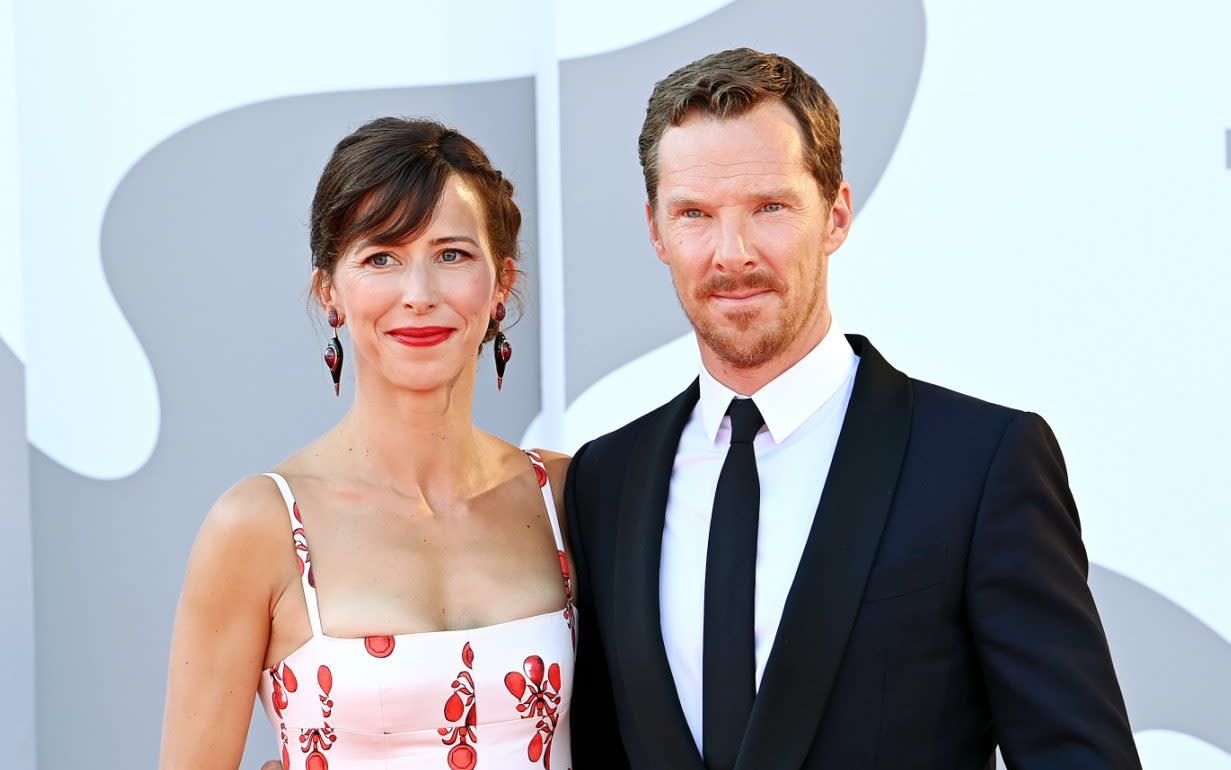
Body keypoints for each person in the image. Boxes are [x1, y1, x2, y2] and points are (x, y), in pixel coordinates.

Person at [565, 48, 1142, 770]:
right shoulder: (604, 481)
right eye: (694, 214)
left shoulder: (981, 463)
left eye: (769, 207)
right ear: (655, 232)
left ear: (835, 214)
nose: (731, 252)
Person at [159, 118, 575, 770]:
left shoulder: (567, 497)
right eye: (381, 257)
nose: (419, 295)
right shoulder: (260, 526)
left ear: (501, 286)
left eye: (452, 255)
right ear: (330, 290)